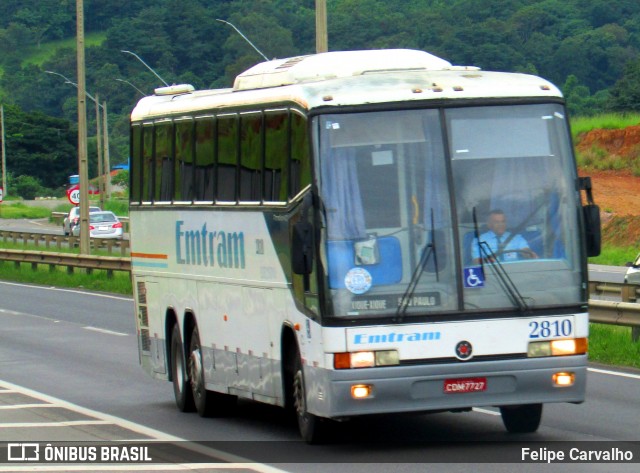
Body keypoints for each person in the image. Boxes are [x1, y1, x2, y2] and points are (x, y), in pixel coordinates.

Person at [472, 209, 537, 263]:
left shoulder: (516, 238)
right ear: (489, 224)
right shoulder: (479, 240)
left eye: (503, 222)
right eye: (497, 222)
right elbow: (476, 261)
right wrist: (487, 260)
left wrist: (529, 254)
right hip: (491, 272)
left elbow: (525, 250)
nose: (501, 225)